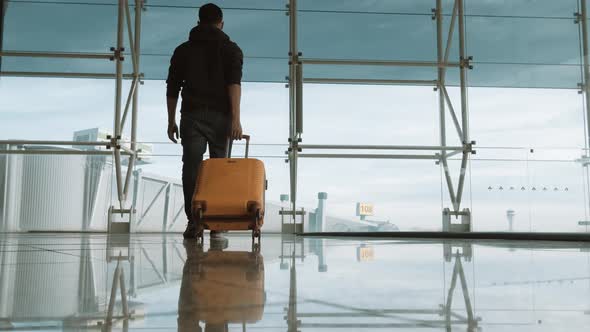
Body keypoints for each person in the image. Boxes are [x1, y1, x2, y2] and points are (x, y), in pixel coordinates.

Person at [166, 3, 244, 239]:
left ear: (198, 22)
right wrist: (236, 120)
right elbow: (234, 85)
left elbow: (172, 88)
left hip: (191, 116)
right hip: (222, 118)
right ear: (221, 23)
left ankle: (194, 221)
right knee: (219, 170)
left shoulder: (183, 50)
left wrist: (171, 120)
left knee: (191, 168)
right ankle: (217, 223)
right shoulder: (231, 50)